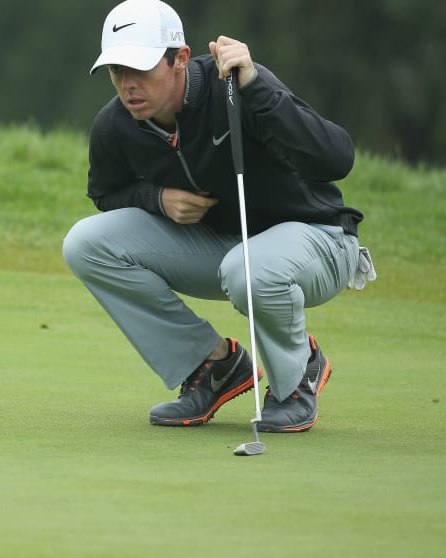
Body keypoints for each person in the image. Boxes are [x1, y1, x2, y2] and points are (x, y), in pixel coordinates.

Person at [62, 0, 374, 432]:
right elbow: (104, 193)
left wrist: (258, 88)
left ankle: (296, 377)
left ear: (180, 59)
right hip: (226, 249)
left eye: (140, 68)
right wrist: (157, 197)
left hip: (319, 240)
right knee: (85, 244)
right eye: (117, 71)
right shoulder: (117, 125)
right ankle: (213, 366)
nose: (127, 84)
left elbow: (336, 158)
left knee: (247, 268)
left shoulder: (237, 87)